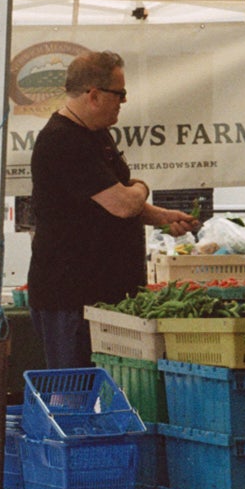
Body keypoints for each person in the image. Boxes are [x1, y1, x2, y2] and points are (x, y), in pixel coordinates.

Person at [26, 52, 191, 370]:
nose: (123, 101)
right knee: (75, 393)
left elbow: (112, 203)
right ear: (94, 95)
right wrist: (142, 186)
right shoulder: (63, 141)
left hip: (102, 295)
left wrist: (162, 217)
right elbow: (124, 203)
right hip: (72, 300)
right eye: (120, 94)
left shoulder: (95, 134)